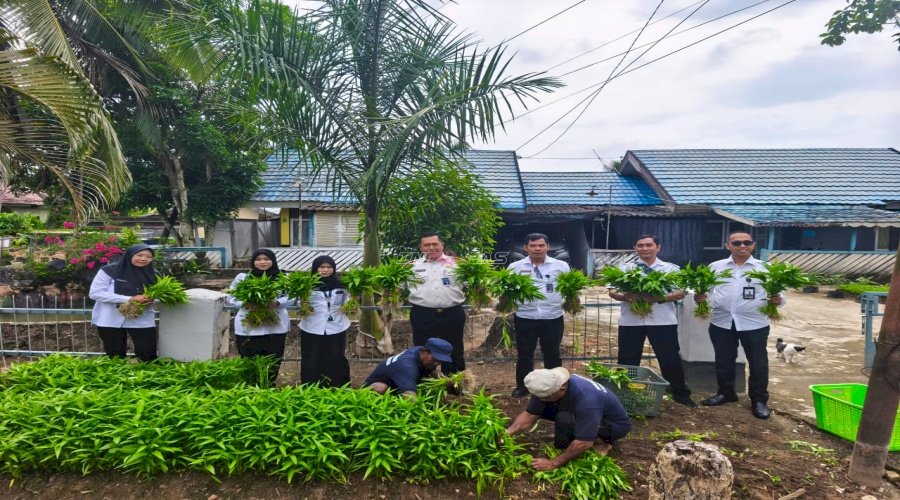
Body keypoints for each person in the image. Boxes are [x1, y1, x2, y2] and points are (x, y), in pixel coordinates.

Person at [695, 231, 785, 419]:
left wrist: (778, 299)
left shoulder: (764, 268)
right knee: (723, 359)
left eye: (747, 242)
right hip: (721, 321)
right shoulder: (715, 267)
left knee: (758, 363)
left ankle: (759, 400)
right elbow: (704, 290)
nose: (742, 246)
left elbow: (780, 295)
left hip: (754, 323)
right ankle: (726, 393)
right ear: (728, 245)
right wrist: (699, 297)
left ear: (753, 245)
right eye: (736, 243)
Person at [609, 235, 696, 408]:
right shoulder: (624, 268)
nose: (644, 248)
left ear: (658, 247)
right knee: (627, 358)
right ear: (635, 248)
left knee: (669, 357)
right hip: (631, 321)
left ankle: (680, 392)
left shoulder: (670, 269)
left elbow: (681, 292)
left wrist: (658, 298)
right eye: (640, 245)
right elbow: (612, 291)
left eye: (649, 245)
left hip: (662, 321)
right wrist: (625, 296)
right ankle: (624, 391)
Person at [506, 367, 631, 470]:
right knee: (556, 415)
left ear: (562, 389)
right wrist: (506, 434)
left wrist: (553, 463)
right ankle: (573, 438)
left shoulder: (587, 400)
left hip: (612, 425)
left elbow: (584, 442)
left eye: (545, 397)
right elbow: (529, 415)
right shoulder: (550, 386)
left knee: (565, 420)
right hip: (582, 411)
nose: (541, 400)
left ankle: (602, 443)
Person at [507, 233, 570, 397]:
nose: (537, 249)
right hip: (525, 317)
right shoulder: (516, 268)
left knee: (552, 354)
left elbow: (569, 288)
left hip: (553, 317)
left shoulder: (561, 266)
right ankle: (523, 386)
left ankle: (556, 386)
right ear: (525, 247)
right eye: (533, 245)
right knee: (525, 354)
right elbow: (507, 290)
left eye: (541, 245)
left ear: (547, 247)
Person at [227, 249, 291, 385]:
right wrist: (245, 303)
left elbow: (294, 297)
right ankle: (250, 387)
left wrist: (278, 302)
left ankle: (269, 385)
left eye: (266, 259)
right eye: (258, 259)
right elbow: (231, 297)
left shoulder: (283, 277)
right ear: (253, 261)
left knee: (273, 359)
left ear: (273, 260)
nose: (262, 262)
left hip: (275, 327)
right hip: (247, 327)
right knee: (249, 360)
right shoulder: (243, 277)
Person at [408, 232, 466, 374]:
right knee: (423, 349)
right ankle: (424, 381)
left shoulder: (457, 264)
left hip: (452, 313)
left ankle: (455, 382)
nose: (431, 247)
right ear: (421, 247)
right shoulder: (411, 267)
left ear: (442, 245)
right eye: (427, 245)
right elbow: (397, 287)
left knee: (455, 348)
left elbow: (474, 283)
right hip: (422, 314)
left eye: (435, 244)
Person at [89, 243, 158, 362]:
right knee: (115, 354)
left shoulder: (154, 273)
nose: (143, 259)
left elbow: (159, 294)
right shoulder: (109, 271)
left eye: (148, 257)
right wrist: (130, 299)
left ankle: (146, 377)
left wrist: (152, 299)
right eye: (139, 255)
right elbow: (95, 293)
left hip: (141, 318)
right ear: (130, 255)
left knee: (147, 353)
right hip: (110, 318)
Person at [298, 255, 351, 387]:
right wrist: (302, 302)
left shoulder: (341, 285)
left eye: (329, 267)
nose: (326, 270)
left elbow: (348, 300)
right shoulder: (306, 286)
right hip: (312, 326)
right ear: (315, 269)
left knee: (336, 356)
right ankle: (311, 386)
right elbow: (296, 302)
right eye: (322, 267)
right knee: (311, 357)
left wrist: (354, 300)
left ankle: (338, 386)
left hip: (337, 326)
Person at [363, 337, 454, 398]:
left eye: (440, 360)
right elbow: (410, 398)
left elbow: (432, 370)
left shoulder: (418, 351)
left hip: (398, 385)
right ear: (424, 351)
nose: (437, 363)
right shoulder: (407, 367)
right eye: (435, 359)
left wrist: (447, 381)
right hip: (374, 392)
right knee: (381, 388)